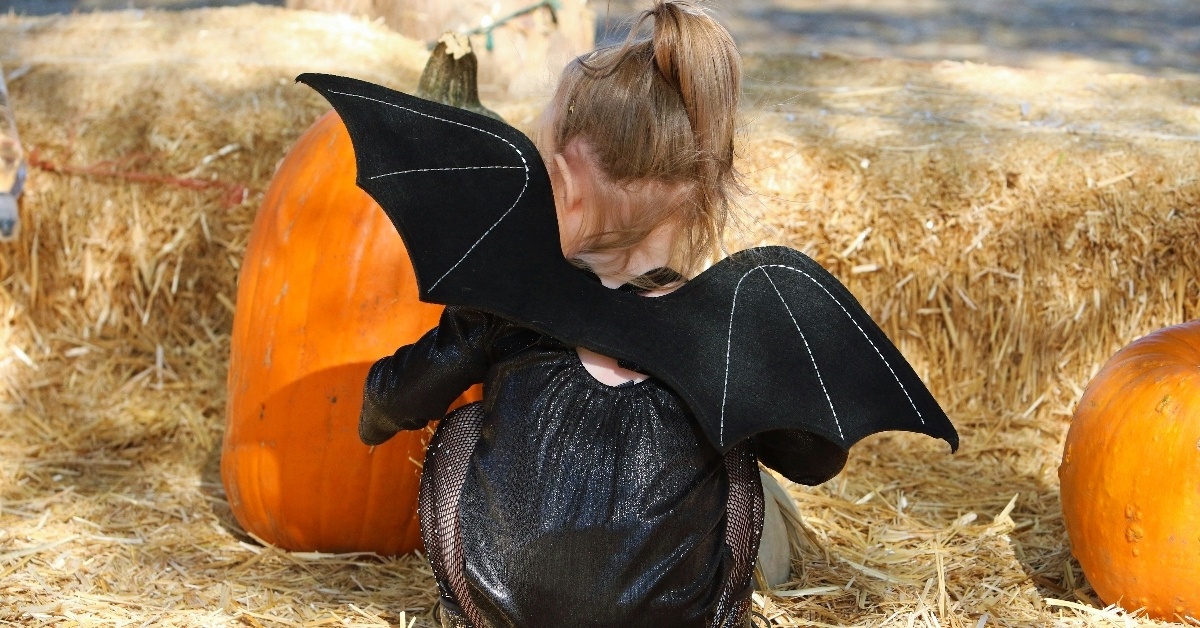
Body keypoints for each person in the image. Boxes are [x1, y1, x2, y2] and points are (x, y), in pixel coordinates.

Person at [358, 2, 849, 626]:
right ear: (711, 189)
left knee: (462, 428)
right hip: (669, 615)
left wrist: (384, 399)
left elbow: (386, 406)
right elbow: (816, 461)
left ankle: (463, 611)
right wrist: (757, 403)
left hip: (505, 609)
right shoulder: (722, 337)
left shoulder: (508, 303)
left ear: (563, 181)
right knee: (733, 452)